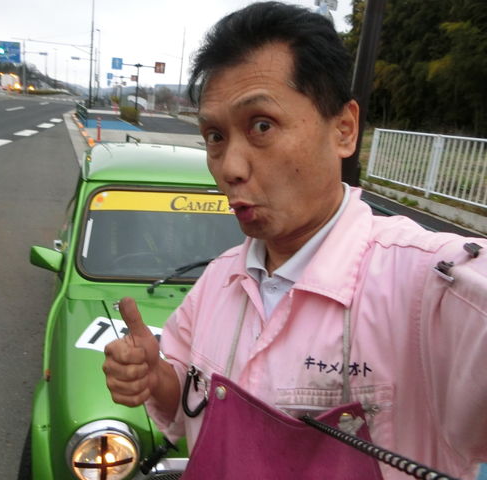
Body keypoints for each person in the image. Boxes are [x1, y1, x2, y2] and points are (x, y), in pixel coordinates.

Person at [102, 2, 487, 479]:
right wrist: (153, 376)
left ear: (344, 129)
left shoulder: (429, 285)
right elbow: (186, 398)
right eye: (215, 136)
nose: (230, 168)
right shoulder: (219, 281)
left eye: (261, 125)